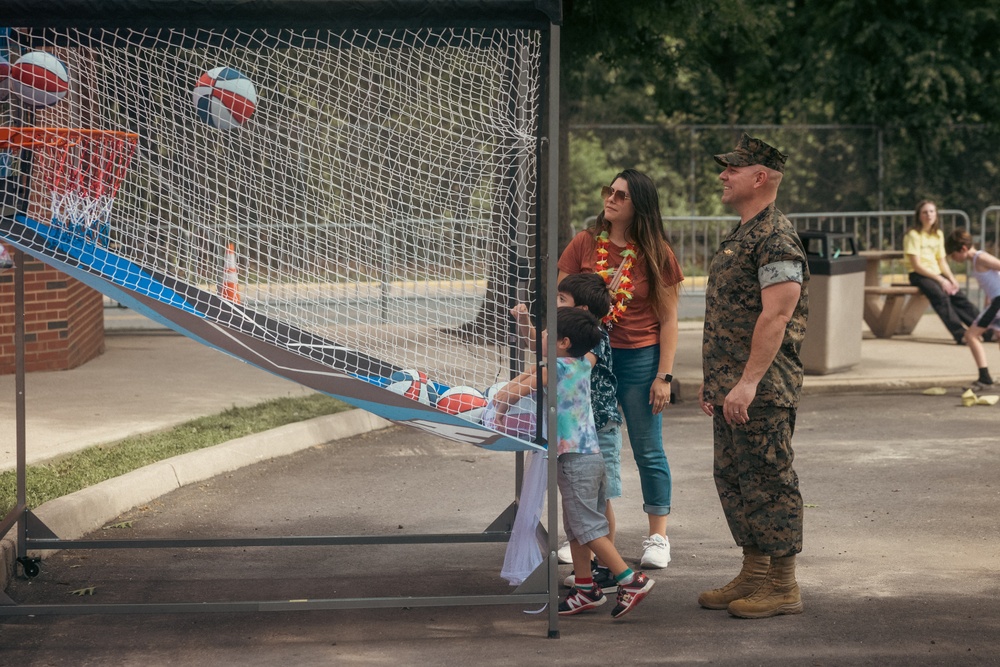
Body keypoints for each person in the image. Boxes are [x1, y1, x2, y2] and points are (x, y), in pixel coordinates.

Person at [697, 133, 808, 619]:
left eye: (733, 169)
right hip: (734, 386)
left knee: (768, 479)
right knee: (736, 479)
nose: (723, 175)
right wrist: (718, 384)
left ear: (759, 177)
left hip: (762, 387)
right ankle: (754, 572)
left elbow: (776, 316)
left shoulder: (776, 237)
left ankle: (783, 585)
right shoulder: (745, 233)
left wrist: (746, 383)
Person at [557, 168, 683, 569]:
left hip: (640, 357)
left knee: (648, 447)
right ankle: (591, 537)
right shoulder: (583, 244)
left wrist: (664, 376)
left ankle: (658, 536)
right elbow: (563, 307)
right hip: (589, 358)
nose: (610, 198)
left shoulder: (656, 253)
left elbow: (669, 319)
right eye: (608, 190)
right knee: (590, 451)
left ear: (639, 205)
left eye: (621, 195)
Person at [494, 307, 655, 618]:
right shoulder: (583, 362)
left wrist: (497, 407)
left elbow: (512, 394)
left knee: (587, 528)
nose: (541, 336)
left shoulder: (553, 368)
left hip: (574, 461)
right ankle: (584, 588)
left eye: (546, 333)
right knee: (577, 526)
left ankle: (629, 579)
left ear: (563, 341)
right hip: (591, 458)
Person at [511, 273, 622, 590]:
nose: (555, 304)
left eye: (562, 300)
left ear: (582, 309)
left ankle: (611, 569)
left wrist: (509, 394)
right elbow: (547, 348)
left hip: (596, 427)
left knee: (599, 504)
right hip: (576, 431)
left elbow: (562, 362)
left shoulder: (594, 339)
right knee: (583, 510)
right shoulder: (569, 339)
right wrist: (523, 322)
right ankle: (587, 581)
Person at [904, 200, 979, 345]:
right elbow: (916, 265)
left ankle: (985, 330)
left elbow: (942, 261)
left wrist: (951, 279)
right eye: (925, 212)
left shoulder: (938, 234)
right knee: (940, 296)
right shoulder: (913, 235)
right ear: (919, 215)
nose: (929, 215)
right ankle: (960, 334)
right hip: (919, 275)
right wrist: (940, 280)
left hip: (937, 274)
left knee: (958, 296)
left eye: (932, 211)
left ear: (936, 214)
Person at [945, 229, 1000, 390]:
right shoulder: (976, 262)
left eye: (953, 254)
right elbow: (992, 282)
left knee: (971, 335)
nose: (953, 259)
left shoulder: (980, 257)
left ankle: (985, 378)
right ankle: (985, 378)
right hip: (995, 302)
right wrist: (987, 305)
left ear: (962, 249)